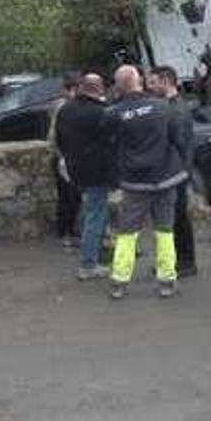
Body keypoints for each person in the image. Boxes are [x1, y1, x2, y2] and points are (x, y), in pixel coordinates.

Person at [103, 65, 189, 301]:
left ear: (119, 86)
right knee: (165, 229)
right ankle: (167, 281)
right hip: (165, 177)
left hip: (134, 181)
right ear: (140, 80)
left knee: (127, 232)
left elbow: (109, 145)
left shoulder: (113, 114)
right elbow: (177, 138)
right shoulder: (163, 107)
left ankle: (119, 281)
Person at [54, 73, 115, 280]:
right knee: (95, 213)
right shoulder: (101, 112)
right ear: (99, 89)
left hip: (74, 170)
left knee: (90, 209)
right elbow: (113, 141)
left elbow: (59, 141)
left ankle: (102, 245)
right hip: (98, 171)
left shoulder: (65, 110)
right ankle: (88, 264)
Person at [147, 66, 198, 278]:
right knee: (172, 217)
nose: (149, 87)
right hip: (174, 170)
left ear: (166, 81)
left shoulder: (176, 109)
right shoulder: (170, 106)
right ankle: (174, 259)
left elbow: (177, 141)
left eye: (153, 82)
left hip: (176, 171)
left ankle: (185, 262)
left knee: (177, 217)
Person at [49, 72, 83, 249]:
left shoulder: (68, 105)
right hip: (63, 158)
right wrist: (61, 156)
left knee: (73, 197)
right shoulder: (62, 107)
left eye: (75, 89)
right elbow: (54, 136)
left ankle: (70, 230)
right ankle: (65, 233)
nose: (73, 93)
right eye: (70, 89)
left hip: (70, 157)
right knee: (67, 197)